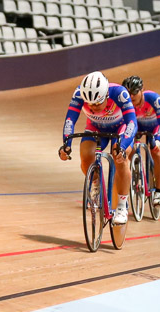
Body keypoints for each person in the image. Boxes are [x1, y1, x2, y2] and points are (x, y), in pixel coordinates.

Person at [58, 71, 137, 225]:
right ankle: (96, 185)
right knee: (86, 156)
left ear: (106, 95)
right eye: (90, 104)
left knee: (119, 157)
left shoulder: (120, 93)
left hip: (120, 128)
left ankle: (122, 205)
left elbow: (132, 122)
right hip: (95, 127)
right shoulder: (79, 93)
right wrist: (66, 146)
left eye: (97, 103)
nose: (93, 107)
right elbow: (69, 120)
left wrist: (123, 146)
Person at [122, 75, 160, 208]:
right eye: (128, 93)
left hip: (156, 129)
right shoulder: (125, 102)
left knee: (158, 155)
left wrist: (158, 141)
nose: (131, 96)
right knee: (131, 152)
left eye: (134, 92)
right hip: (137, 128)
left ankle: (158, 192)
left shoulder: (154, 99)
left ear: (142, 89)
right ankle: (139, 173)